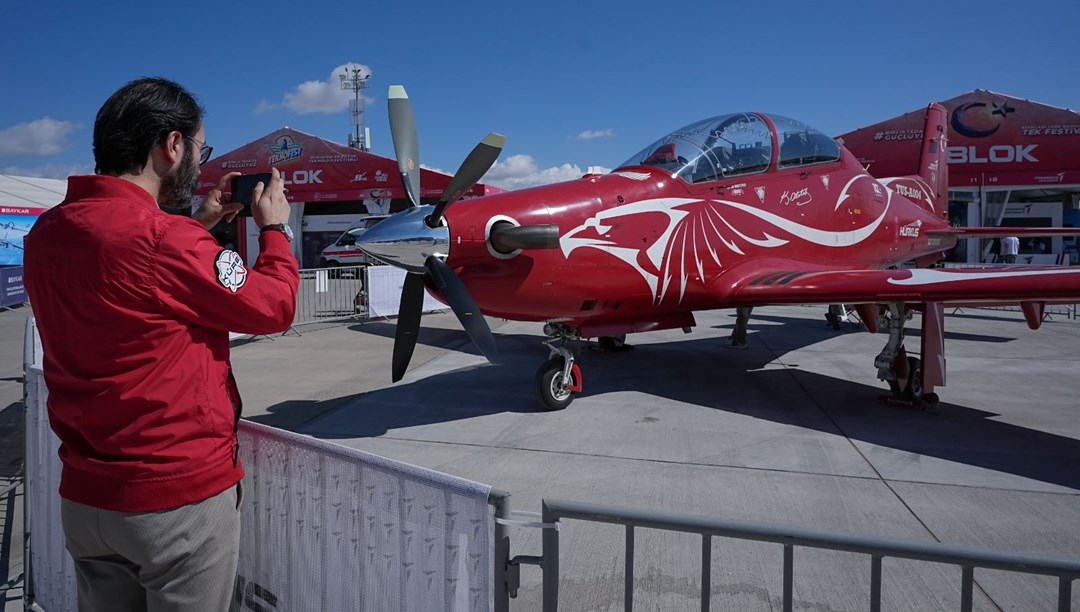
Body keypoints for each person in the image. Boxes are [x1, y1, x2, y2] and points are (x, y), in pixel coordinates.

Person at [24, 77, 299, 612]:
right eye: (201, 148)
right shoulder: (166, 241)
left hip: (86, 496)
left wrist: (202, 224)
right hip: (173, 501)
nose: (200, 161)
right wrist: (275, 231)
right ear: (171, 146)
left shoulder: (49, 231)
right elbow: (274, 307)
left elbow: (133, 280)